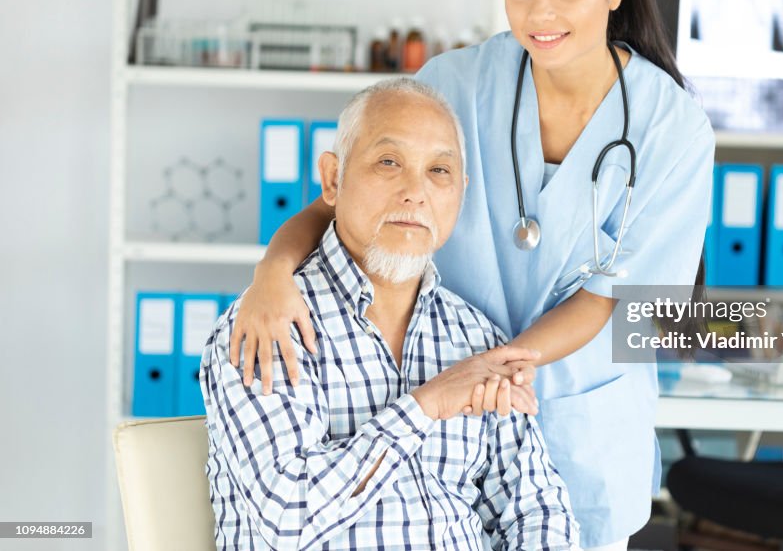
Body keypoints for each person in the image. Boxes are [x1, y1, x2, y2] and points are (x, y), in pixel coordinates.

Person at [231, 0, 714, 550]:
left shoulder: (672, 126)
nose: (538, 12)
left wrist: (488, 371)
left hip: (579, 422)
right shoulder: (458, 84)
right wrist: (272, 273)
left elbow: (625, 305)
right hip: (441, 417)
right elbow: (344, 195)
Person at [202, 79, 580, 550]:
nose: (415, 192)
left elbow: (535, 506)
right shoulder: (269, 327)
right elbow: (289, 519)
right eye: (388, 162)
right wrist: (425, 406)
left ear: (461, 193)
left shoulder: (476, 336)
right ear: (333, 180)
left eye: (439, 170)